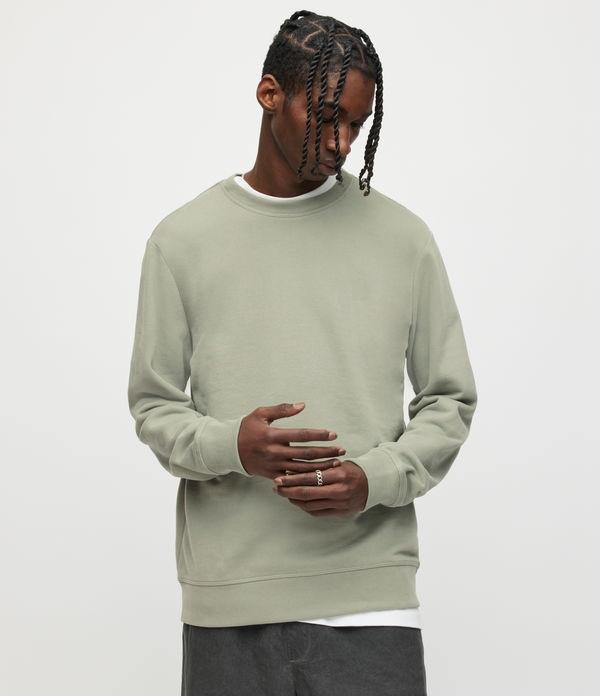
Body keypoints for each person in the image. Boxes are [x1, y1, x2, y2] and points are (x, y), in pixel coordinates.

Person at [127, 10, 477, 696]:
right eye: (326, 117)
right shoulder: (182, 241)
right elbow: (153, 406)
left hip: (371, 598)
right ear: (269, 94)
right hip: (230, 599)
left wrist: (374, 478)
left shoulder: (402, 239)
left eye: (356, 125)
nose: (341, 143)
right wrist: (234, 445)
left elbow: (450, 399)